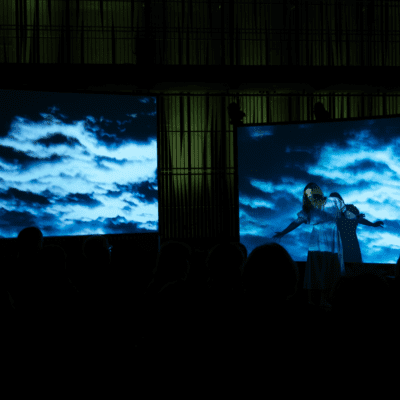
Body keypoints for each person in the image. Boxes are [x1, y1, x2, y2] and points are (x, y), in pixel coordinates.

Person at [272, 183, 348, 309]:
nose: (310, 195)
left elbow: (346, 213)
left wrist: (355, 217)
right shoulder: (309, 209)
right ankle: (312, 300)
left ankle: (323, 299)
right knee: (316, 268)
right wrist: (283, 232)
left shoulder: (334, 201)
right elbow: (296, 222)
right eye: (307, 194)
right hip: (318, 240)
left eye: (311, 192)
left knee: (328, 268)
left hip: (332, 240)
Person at [328, 192, 384, 267]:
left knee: (354, 266)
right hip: (338, 246)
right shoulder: (330, 214)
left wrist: (372, 224)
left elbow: (359, 219)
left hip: (351, 244)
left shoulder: (350, 209)